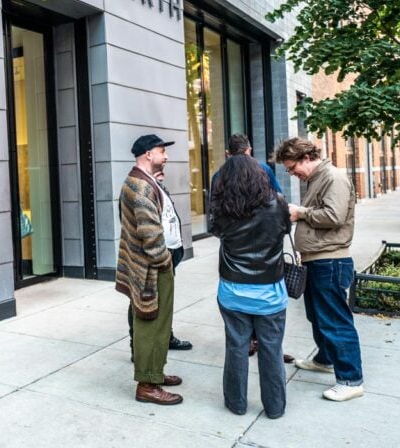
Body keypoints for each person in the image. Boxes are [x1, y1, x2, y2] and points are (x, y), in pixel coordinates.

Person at [274, 137, 363, 402]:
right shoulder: (318, 178)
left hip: (330, 261)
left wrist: (301, 212)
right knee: (317, 315)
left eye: (292, 168)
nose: (293, 174)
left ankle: (351, 379)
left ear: (305, 158)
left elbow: (334, 216)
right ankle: (326, 359)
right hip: (318, 259)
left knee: (335, 320)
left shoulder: (332, 177)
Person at [209, 154, 292, 419]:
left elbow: (216, 232)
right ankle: (275, 407)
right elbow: (284, 229)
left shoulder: (223, 210)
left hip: (233, 291)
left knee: (236, 348)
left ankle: (236, 403)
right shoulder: (278, 204)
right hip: (270, 293)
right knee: (272, 351)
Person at [116, 134, 183, 406]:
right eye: (160, 151)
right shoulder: (140, 187)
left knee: (159, 324)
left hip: (152, 266)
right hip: (151, 269)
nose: (165, 156)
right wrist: (165, 259)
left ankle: (156, 373)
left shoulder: (145, 181)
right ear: (147, 155)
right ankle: (147, 385)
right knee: (151, 325)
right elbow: (150, 234)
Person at [127, 170, 192, 362]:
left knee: (163, 300)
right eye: (161, 152)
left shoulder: (158, 186)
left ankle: (166, 338)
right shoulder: (138, 188)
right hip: (152, 256)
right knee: (141, 301)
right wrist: (159, 255)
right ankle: (136, 347)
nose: (165, 160)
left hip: (169, 252)